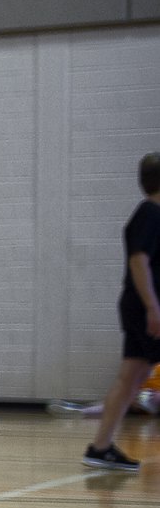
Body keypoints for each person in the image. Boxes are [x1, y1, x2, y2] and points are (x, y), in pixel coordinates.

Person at [81, 152, 160, 472]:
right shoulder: (150, 214)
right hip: (144, 307)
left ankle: (100, 448)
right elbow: (138, 261)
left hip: (142, 306)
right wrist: (153, 306)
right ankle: (100, 448)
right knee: (131, 377)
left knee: (131, 377)